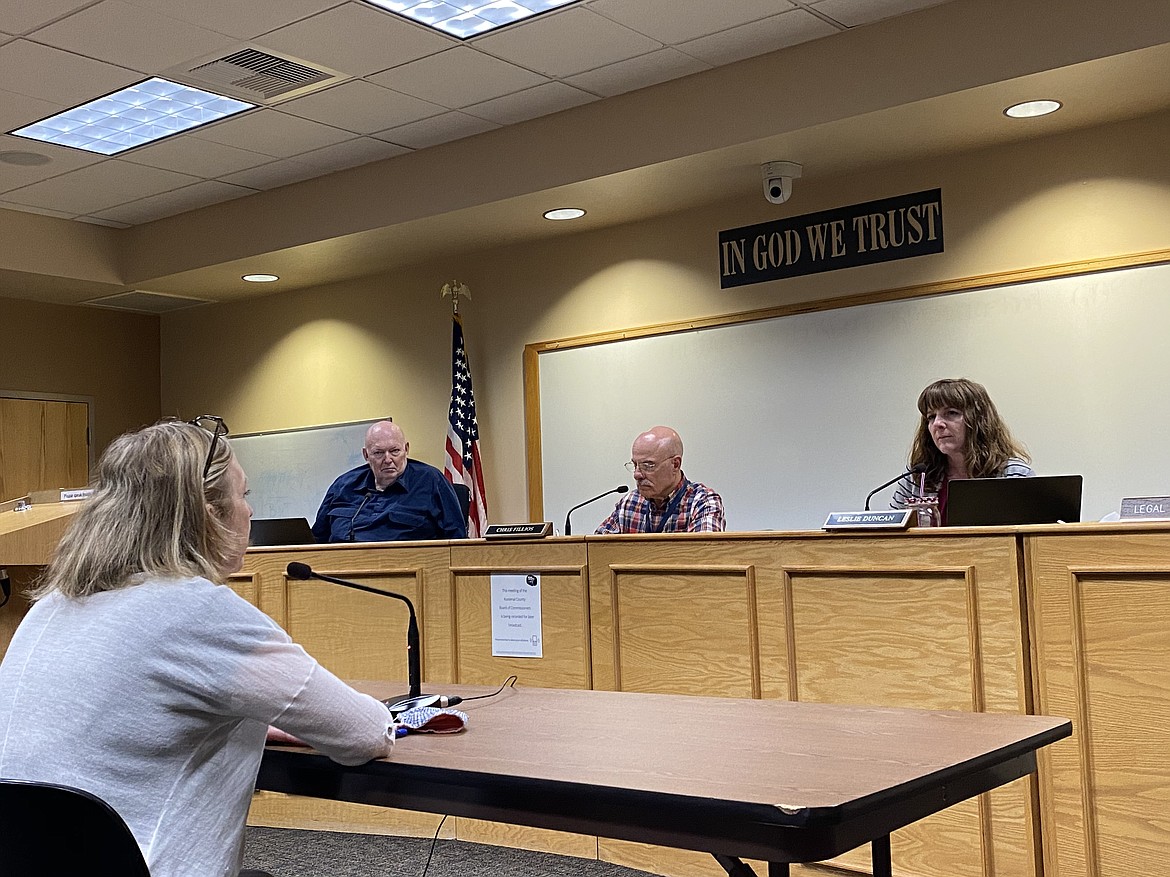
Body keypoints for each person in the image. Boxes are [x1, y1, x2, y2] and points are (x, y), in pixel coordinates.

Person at [0, 418, 396, 877]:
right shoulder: (197, 608)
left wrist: (241, 720)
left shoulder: (49, 605)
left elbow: (114, 719)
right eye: (244, 496)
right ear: (210, 512)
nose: (249, 511)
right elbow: (365, 733)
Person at [892, 378, 1034, 525]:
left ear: (978, 420)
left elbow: (1034, 539)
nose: (937, 424)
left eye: (951, 413)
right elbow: (890, 535)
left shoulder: (1014, 474)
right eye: (931, 417)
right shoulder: (917, 476)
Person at [312, 420, 467, 543]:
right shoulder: (343, 485)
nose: (388, 460)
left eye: (394, 451)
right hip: (342, 572)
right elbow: (316, 541)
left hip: (411, 572)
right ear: (366, 455)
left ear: (406, 449)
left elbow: (457, 541)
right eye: (378, 453)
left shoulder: (431, 481)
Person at [596, 426, 725, 534]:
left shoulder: (703, 502)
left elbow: (703, 555)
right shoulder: (630, 502)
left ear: (675, 464)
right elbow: (595, 550)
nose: (637, 474)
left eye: (648, 465)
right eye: (635, 465)